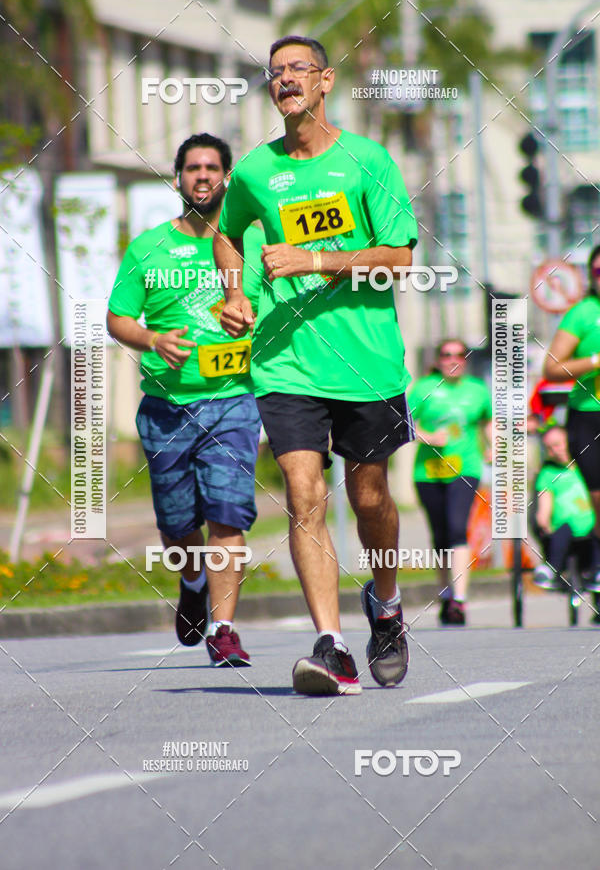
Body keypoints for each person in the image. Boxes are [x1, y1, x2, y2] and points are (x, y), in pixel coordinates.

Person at [214, 35, 418, 696]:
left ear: (325, 80)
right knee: (304, 493)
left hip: (366, 363)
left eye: (296, 70)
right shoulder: (253, 171)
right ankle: (331, 646)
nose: (283, 80)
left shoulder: (367, 161)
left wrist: (317, 260)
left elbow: (399, 257)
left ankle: (385, 607)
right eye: (273, 73)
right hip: (284, 361)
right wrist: (235, 293)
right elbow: (225, 231)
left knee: (369, 498)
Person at [107, 133, 264, 667]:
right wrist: (153, 340)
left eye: (213, 168)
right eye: (192, 168)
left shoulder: (250, 248)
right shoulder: (147, 246)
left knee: (228, 516)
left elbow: (274, 315)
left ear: (227, 178)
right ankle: (192, 578)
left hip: (232, 401)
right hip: (165, 408)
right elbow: (118, 318)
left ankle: (224, 629)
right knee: (178, 527)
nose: (202, 176)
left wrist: (249, 315)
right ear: (178, 179)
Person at [408, 339, 492, 625]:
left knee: (458, 528)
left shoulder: (477, 390)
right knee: (440, 534)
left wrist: (493, 445)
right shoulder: (423, 388)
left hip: (464, 468)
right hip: (428, 472)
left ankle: (459, 599)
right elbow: (404, 420)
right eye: (446, 354)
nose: (452, 359)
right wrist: (428, 437)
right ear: (438, 359)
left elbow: (488, 421)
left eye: (459, 355)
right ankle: (445, 593)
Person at [544, 246, 600, 557]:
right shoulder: (583, 314)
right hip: (589, 416)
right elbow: (552, 368)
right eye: (597, 272)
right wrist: (594, 360)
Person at [532, 421, 600, 590]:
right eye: (549, 448)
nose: (555, 451)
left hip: (592, 525)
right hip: (564, 528)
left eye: (558, 445)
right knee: (562, 531)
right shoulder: (548, 474)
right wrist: (543, 522)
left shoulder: (588, 467)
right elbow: (544, 507)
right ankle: (551, 569)